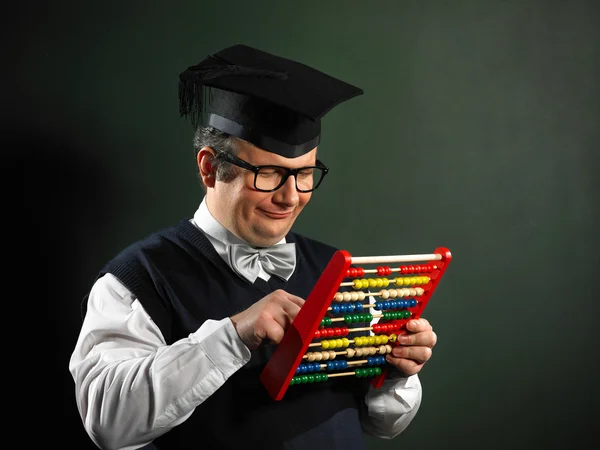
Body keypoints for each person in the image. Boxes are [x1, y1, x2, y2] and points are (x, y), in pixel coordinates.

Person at [69, 43, 438, 450]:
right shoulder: (138, 279)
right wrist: (233, 334)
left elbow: (383, 424)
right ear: (210, 168)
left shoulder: (337, 270)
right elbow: (107, 422)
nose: (291, 196)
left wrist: (397, 373)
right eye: (269, 174)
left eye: (304, 175)